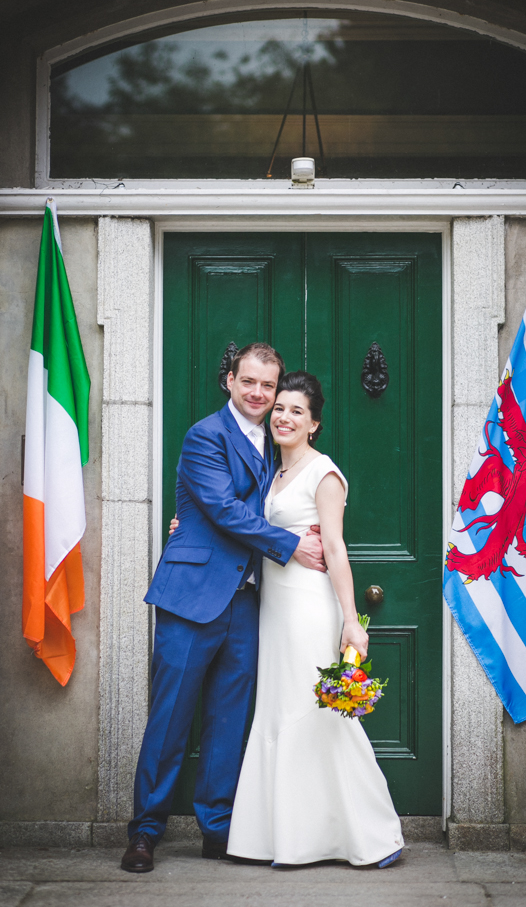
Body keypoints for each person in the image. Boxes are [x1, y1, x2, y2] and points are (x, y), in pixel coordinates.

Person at [120, 344, 327, 873]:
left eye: (269, 387)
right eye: (249, 382)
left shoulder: (279, 443)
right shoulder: (205, 436)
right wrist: (290, 543)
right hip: (192, 598)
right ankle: (145, 832)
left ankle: (218, 829)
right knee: (170, 720)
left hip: (250, 601)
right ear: (230, 381)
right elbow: (223, 509)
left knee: (228, 721)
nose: (259, 394)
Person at [227, 371, 404, 868]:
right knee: (280, 712)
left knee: (322, 716)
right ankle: (280, 838)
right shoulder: (270, 471)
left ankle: (374, 837)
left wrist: (351, 619)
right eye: (279, 408)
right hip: (275, 609)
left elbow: (334, 546)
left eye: (296, 411)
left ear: (314, 424)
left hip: (308, 606)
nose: (283, 416)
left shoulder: (323, 473)